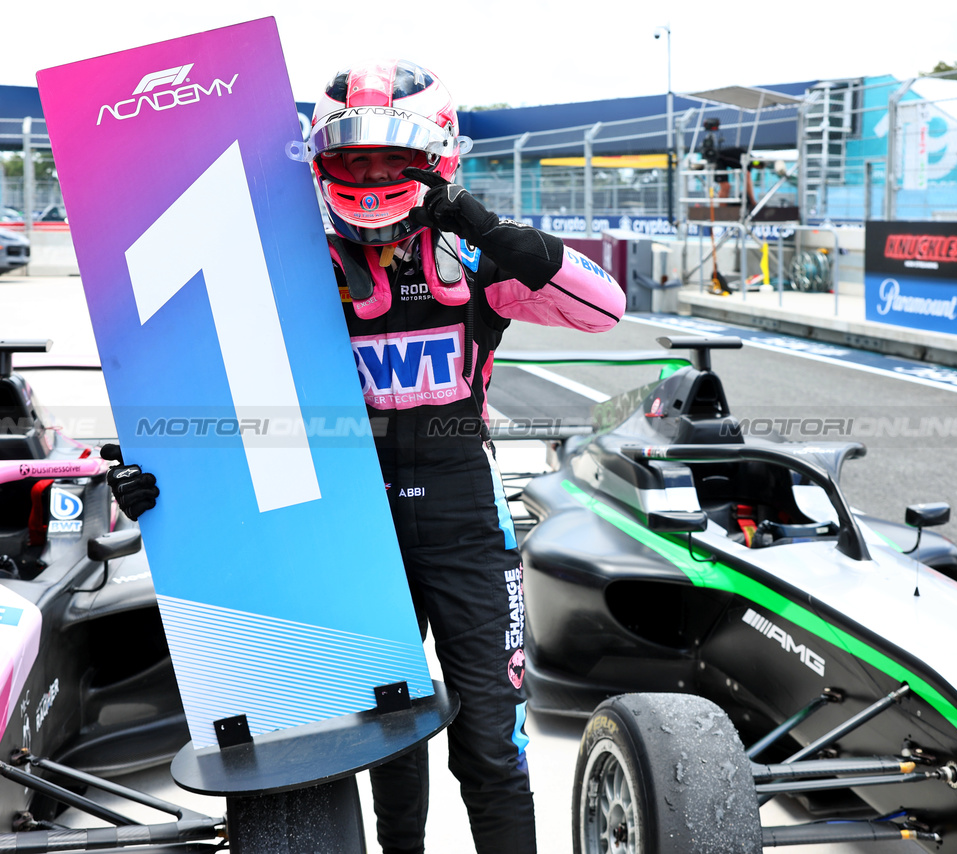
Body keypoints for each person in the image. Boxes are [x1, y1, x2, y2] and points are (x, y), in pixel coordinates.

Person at [107, 60, 625, 854]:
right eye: (356, 160)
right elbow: (207, 385)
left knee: (492, 744)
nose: (376, 175)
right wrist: (160, 480)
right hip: (351, 518)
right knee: (388, 734)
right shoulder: (291, 271)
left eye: (393, 159)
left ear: (436, 159)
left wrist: (479, 225)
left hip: (466, 519)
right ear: (322, 163)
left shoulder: (479, 257)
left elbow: (604, 308)